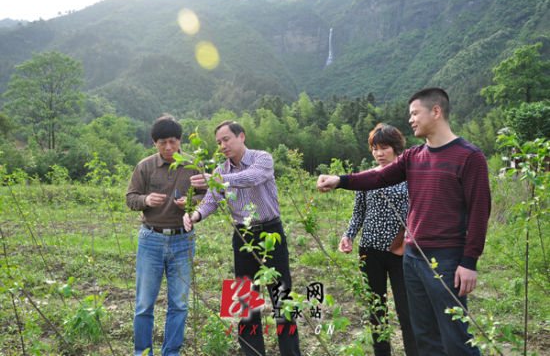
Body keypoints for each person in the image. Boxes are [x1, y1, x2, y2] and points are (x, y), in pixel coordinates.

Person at [317, 87, 491, 356]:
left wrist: (469, 262)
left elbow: (480, 212)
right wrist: (341, 180)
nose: (410, 119)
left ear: (436, 111)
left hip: (445, 259)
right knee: (424, 335)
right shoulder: (413, 157)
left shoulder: (469, 157)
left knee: (454, 335)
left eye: (414, 113)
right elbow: (377, 177)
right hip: (411, 257)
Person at [183, 120, 301, 356]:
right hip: (242, 237)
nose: (222, 145)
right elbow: (212, 201)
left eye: (226, 139)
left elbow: (252, 177)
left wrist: (217, 181)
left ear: (241, 136)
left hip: (270, 232)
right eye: (218, 142)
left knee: (282, 297)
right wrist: (195, 214)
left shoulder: (262, 158)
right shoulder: (219, 171)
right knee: (247, 302)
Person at [126, 115, 205, 356]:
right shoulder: (145, 166)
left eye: (172, 141)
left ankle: (171, 352)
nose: (168, 147)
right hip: (151, 239)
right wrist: (146, 200)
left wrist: (191, 204)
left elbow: (209, 197)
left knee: (179, 304)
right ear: (154, 142)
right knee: (143, 304)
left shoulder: (193, 165)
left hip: (183, 240)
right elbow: (131, 198)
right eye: (162, 142)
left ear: (180, 140)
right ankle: (142, 352)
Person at [340, 123, 417, 356]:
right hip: (370, 251)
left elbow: (418, 211)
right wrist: (348, 235)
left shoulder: (410, 177)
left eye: (384, 148)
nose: (379, 153)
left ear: (396, 148)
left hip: (400, 251)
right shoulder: (366, 178)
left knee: (407, 311)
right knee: (376, 309)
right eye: (374, 148)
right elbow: (359, 212)